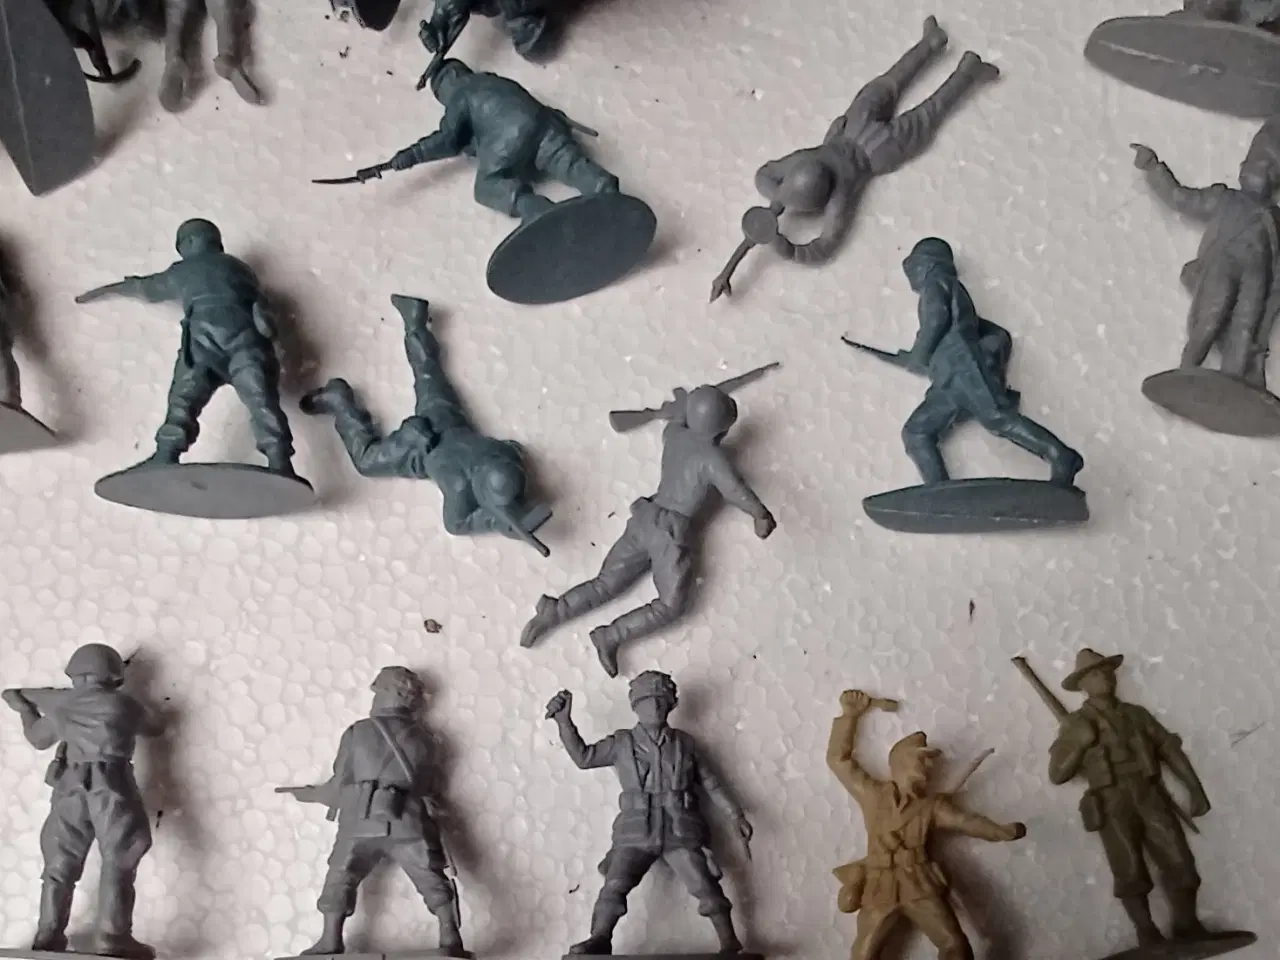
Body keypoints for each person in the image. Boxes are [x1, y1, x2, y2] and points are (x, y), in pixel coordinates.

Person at [520, 383, 775, 677]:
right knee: (671, 604)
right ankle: (610, 635)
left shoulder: (674, 435)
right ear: (721, 431)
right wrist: (760, 515)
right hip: (670, 535)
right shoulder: (713, 459)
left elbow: (678, 419)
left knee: (606, 582)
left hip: (645, 517)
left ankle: (555, 610)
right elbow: (736, 491)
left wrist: (680, 409)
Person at [301, 295, 550, 549]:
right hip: (418, 448)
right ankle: (341, 402)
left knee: (428, 374)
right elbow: (456, 524)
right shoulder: (459, 485)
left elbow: (514, 448)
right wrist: (494, 522)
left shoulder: (504, 452)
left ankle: (415, 322)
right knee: (366, 462)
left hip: (446, 420)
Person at [75, 218, 300, 480]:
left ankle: (167, 453)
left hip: (204, 343)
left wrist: (112, 288)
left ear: (190, 242)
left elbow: (148, 288)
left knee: (184, 397)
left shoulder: (187, 268)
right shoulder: (242, 269)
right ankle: (279, 459)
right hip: (249, 342)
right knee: (262, 400)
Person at [545, 672, 752, 955]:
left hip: (679, 828)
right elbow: (584, 757)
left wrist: (735, 814)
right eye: (647, 701)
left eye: (660, 701)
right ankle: (600, 937)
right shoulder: (621, 743)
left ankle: (729, 940)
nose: (654, 707)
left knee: (704, 882)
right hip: (636, 830)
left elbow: (711, 783)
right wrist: (564, 722)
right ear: (635, 706)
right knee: (615, 883)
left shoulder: (685, 744)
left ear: (670, 705)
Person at [278, 667, 465, 958]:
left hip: (361, 820)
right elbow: (427, 786)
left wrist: (309, 794)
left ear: (387, 694)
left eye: (378, 692)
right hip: (409, 821)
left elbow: (339, 785)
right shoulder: (426, 739)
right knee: (429, 875)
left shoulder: (358, 733)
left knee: (341, 875)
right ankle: (449, 933)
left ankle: (330, 939)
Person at [828, 690, 1025, 960]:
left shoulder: (932, 806)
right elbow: (839, 761)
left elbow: (966, 821)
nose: (927, 768)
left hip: (918, 883)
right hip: (880, 886)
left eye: (928, 762)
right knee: (864, 953)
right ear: (901, 762)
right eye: (921, 760)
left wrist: (1000, 831)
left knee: (955, 945)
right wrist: (850, 716)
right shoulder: (873, 795)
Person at [2, 644, 166, 960]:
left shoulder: (64, 706)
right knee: (120, 856)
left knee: (60, 862)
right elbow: (157, 726)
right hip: (112, 785)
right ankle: (112, 936)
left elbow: (38, 739)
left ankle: (48, 934)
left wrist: (27, 708)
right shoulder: (124, 705)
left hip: (71, 788)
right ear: (113, 674)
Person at [1048, 649, 1212, 948]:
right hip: (1111, 801)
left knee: (1180, 859)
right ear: (1082, 683)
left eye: (1107, 671)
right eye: (1095, 673)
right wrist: (1079, 744)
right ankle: (1147, 933)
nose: (1105, 677)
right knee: (1128, 868)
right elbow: (1057, 774)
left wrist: (1195, 789)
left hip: (1148, 793)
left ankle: (1187, 925)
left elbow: (1169, 748)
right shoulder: (1076, 723)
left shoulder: (1136, 715)